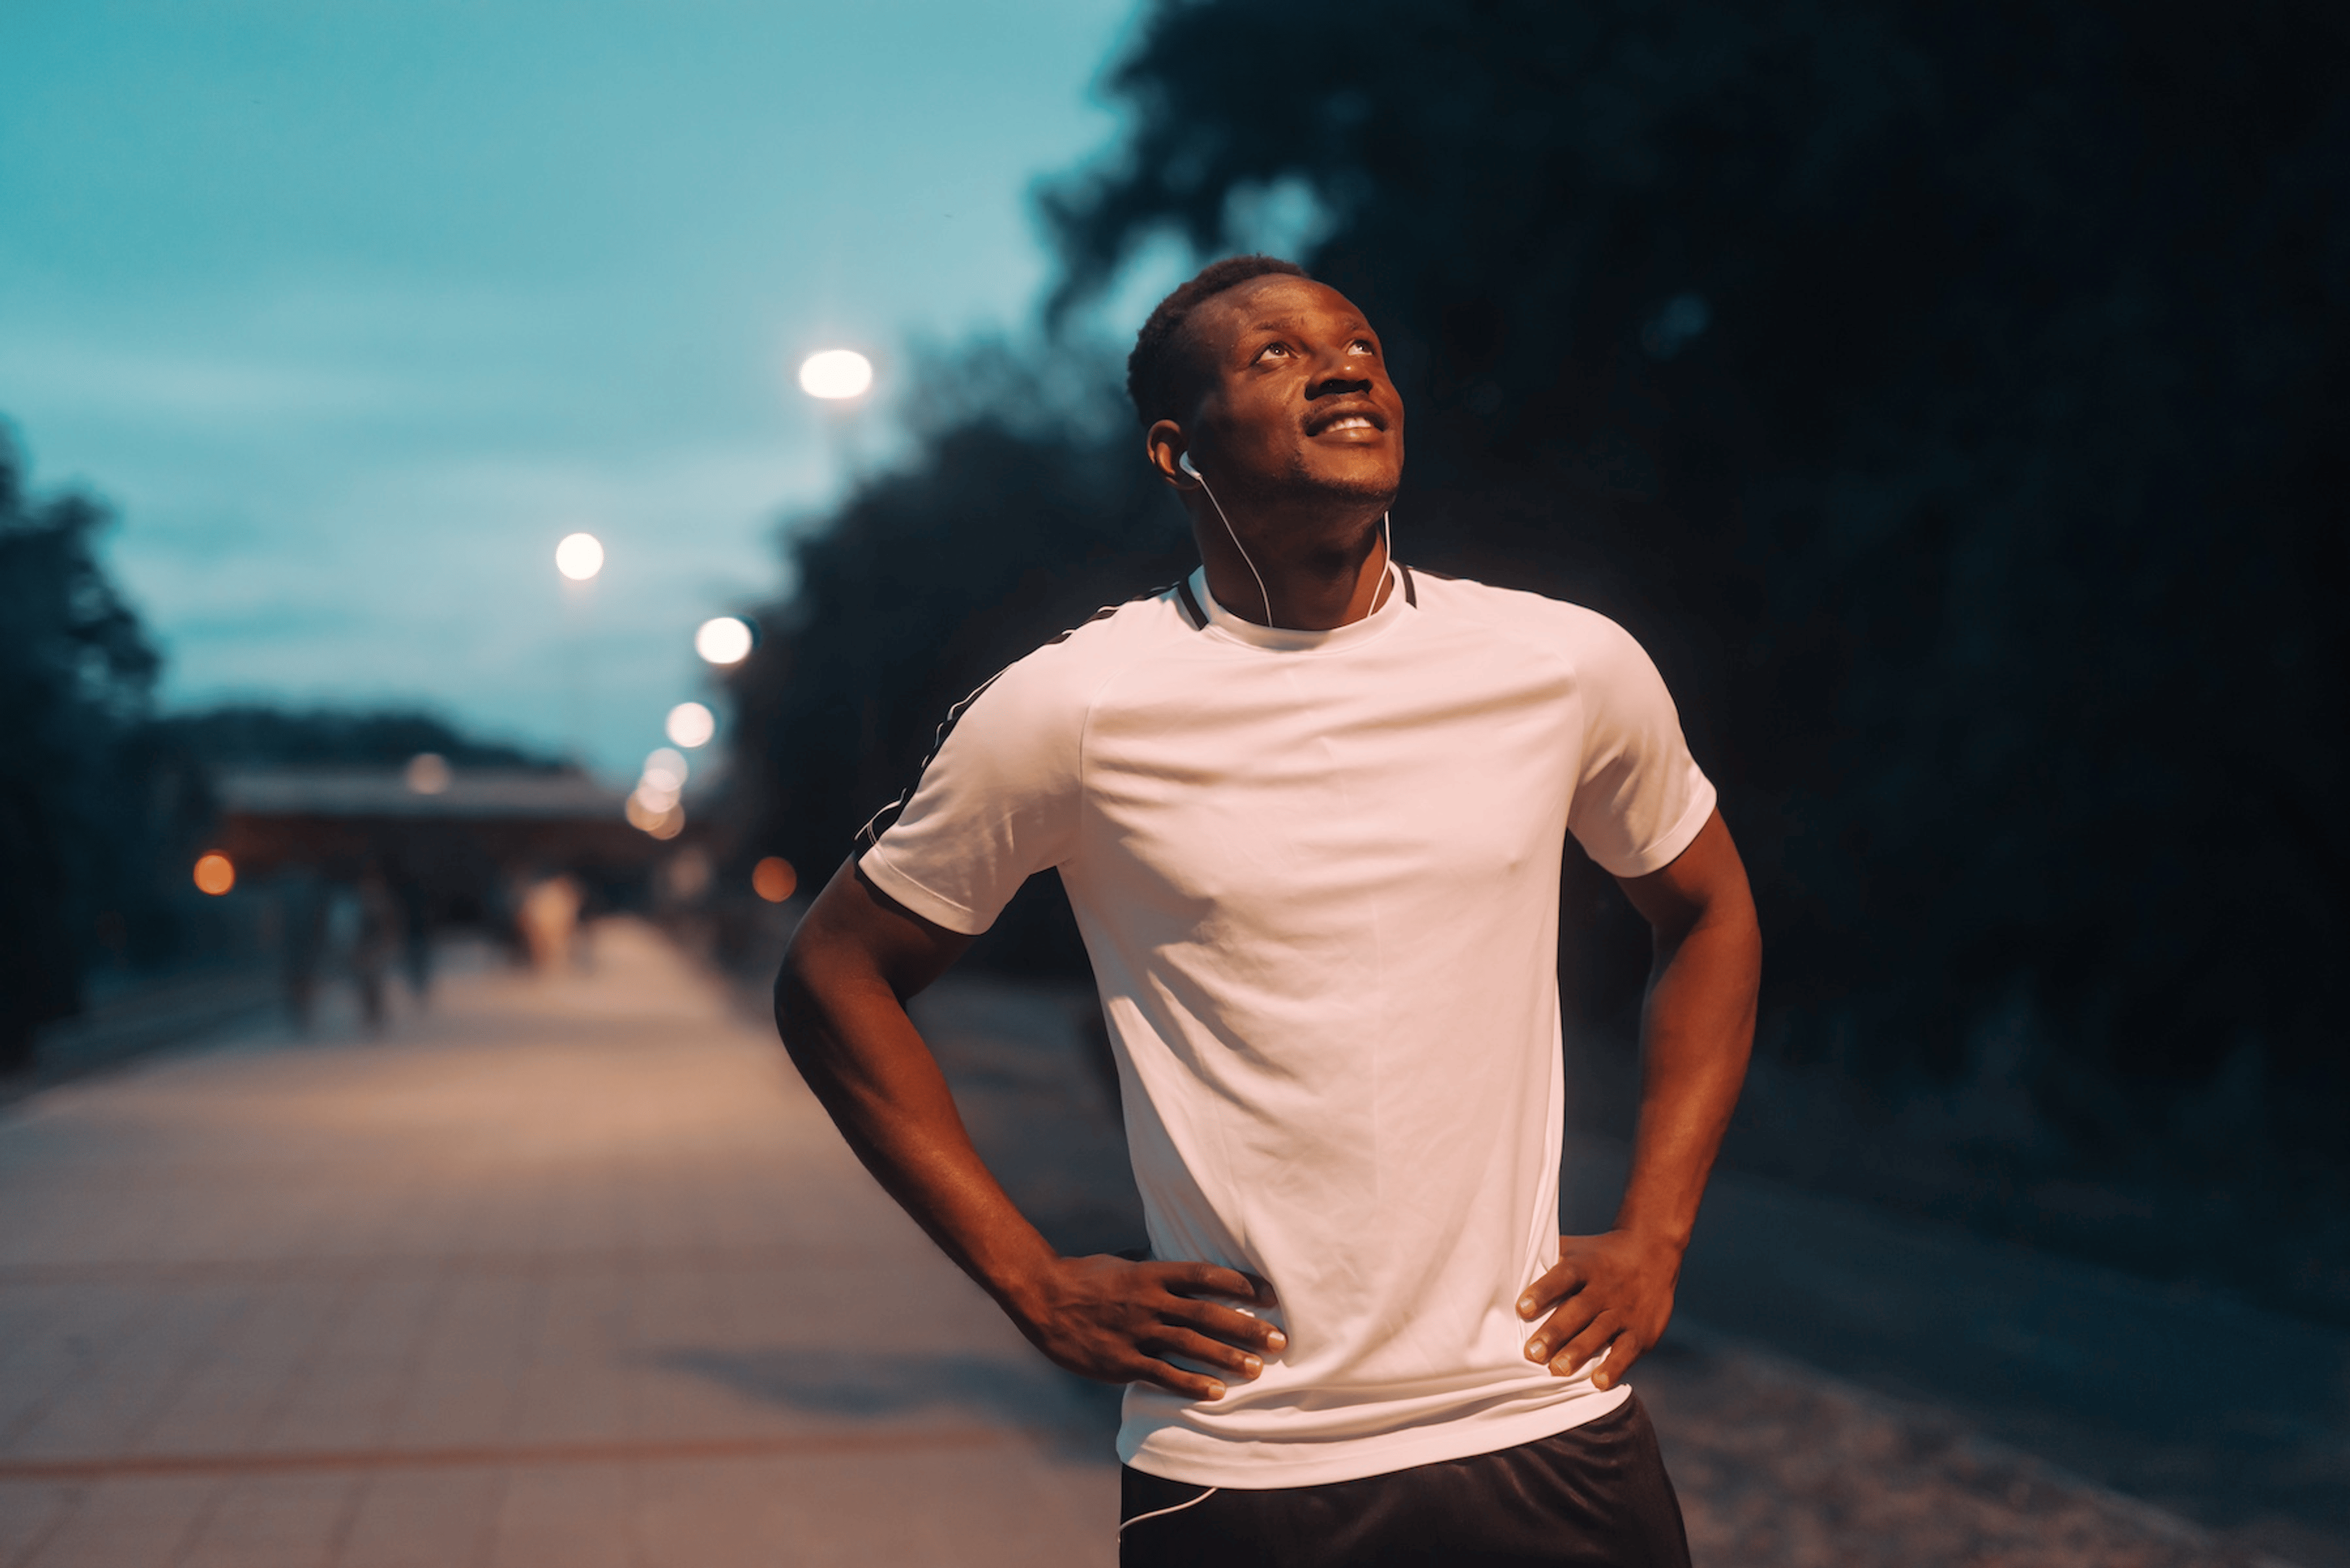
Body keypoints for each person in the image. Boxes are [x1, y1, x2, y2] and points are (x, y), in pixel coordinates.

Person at [776, 255, 1760, 1566]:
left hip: (1545, 1429)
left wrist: (1656, 1236)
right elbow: (835, 977)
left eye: (1358, 344)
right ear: (1177, 453)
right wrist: (1029, 1278)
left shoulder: (1562, 665)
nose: (1344, 366)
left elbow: (1708, 912)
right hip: (1247, 1466)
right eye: (1277, 356)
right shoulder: (1070, 711)